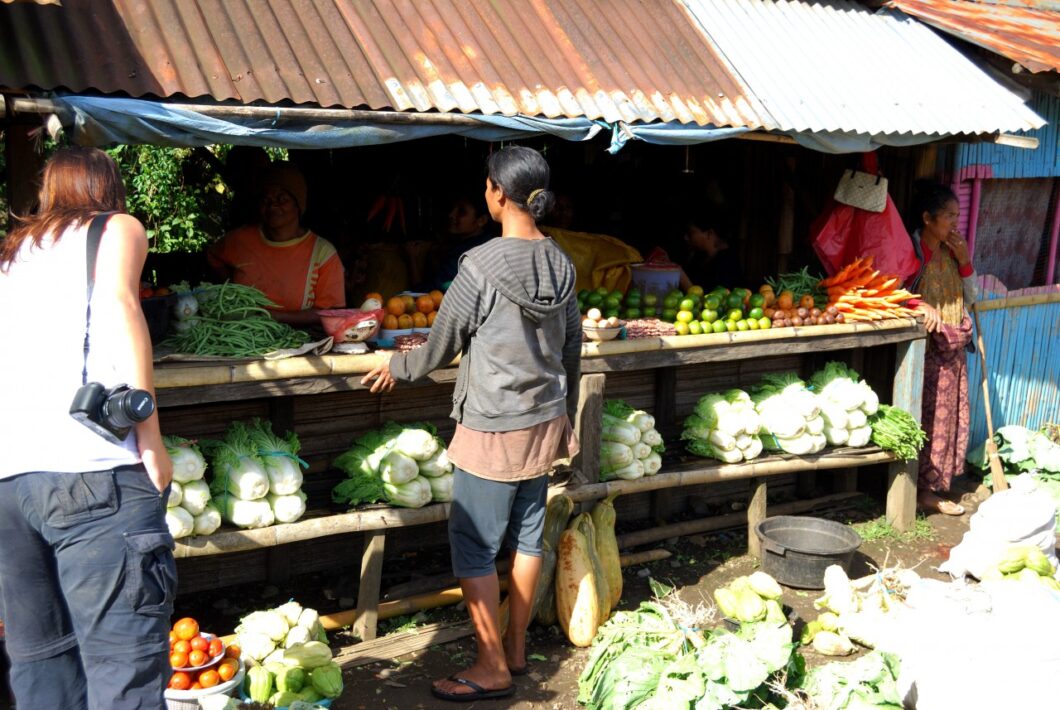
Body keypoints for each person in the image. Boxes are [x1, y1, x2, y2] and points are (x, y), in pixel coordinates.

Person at [362, 146, 581, 703]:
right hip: (544, 418)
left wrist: (397, 364)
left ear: (496, 194)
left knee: (475, 544)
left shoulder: (480, 265)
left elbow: (439, 344)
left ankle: (490, 667)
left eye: (486, 187)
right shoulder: (562, 263)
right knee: (529, 536)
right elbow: (573, 350)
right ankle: (513, 648)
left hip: (493, 423)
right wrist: (569, 415)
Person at [0, 147, 175, 708]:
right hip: (93, 475)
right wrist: (149, 435)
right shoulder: (115, 228)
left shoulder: (13, 251)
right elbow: (123, 306)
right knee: (123, 670)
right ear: (109, 189)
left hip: (10, 480)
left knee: (40, 662)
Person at [907, 182, 977, 516]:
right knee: (928, 417)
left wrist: (965, 260)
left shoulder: (953, 250)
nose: (954, 223)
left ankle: (939, 485)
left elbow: (972, 297)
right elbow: (892, 287)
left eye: (957, 216)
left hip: (954, 346)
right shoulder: (911, 248)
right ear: (927, 218)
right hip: (925, 350)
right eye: (948, 216)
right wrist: (918, 304)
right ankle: (922, 491)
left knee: (950, 419)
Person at [208, 161, 346, 326]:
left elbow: (331, 312)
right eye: (266, 199)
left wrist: (275, 317)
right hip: (243, 333)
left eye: (282, 199)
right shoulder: (239, 239)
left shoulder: (323, 253)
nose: (273, 205)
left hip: (299, 339)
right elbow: (213, 256)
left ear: (298, 204)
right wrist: (230, 289)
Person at [405, 191, 496, 292]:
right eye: (453, 209)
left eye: (461, 211)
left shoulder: (469, 253)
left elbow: (425, 293)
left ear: (481, 220)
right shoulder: (486, 242)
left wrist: (412, 258)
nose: (451, 214)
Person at [675, 209, 744, 291]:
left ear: (709, 233)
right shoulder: (698, 257)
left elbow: (713, 301)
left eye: (691, 233)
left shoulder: (729, 263)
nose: (686, 237)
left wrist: (682, 278)